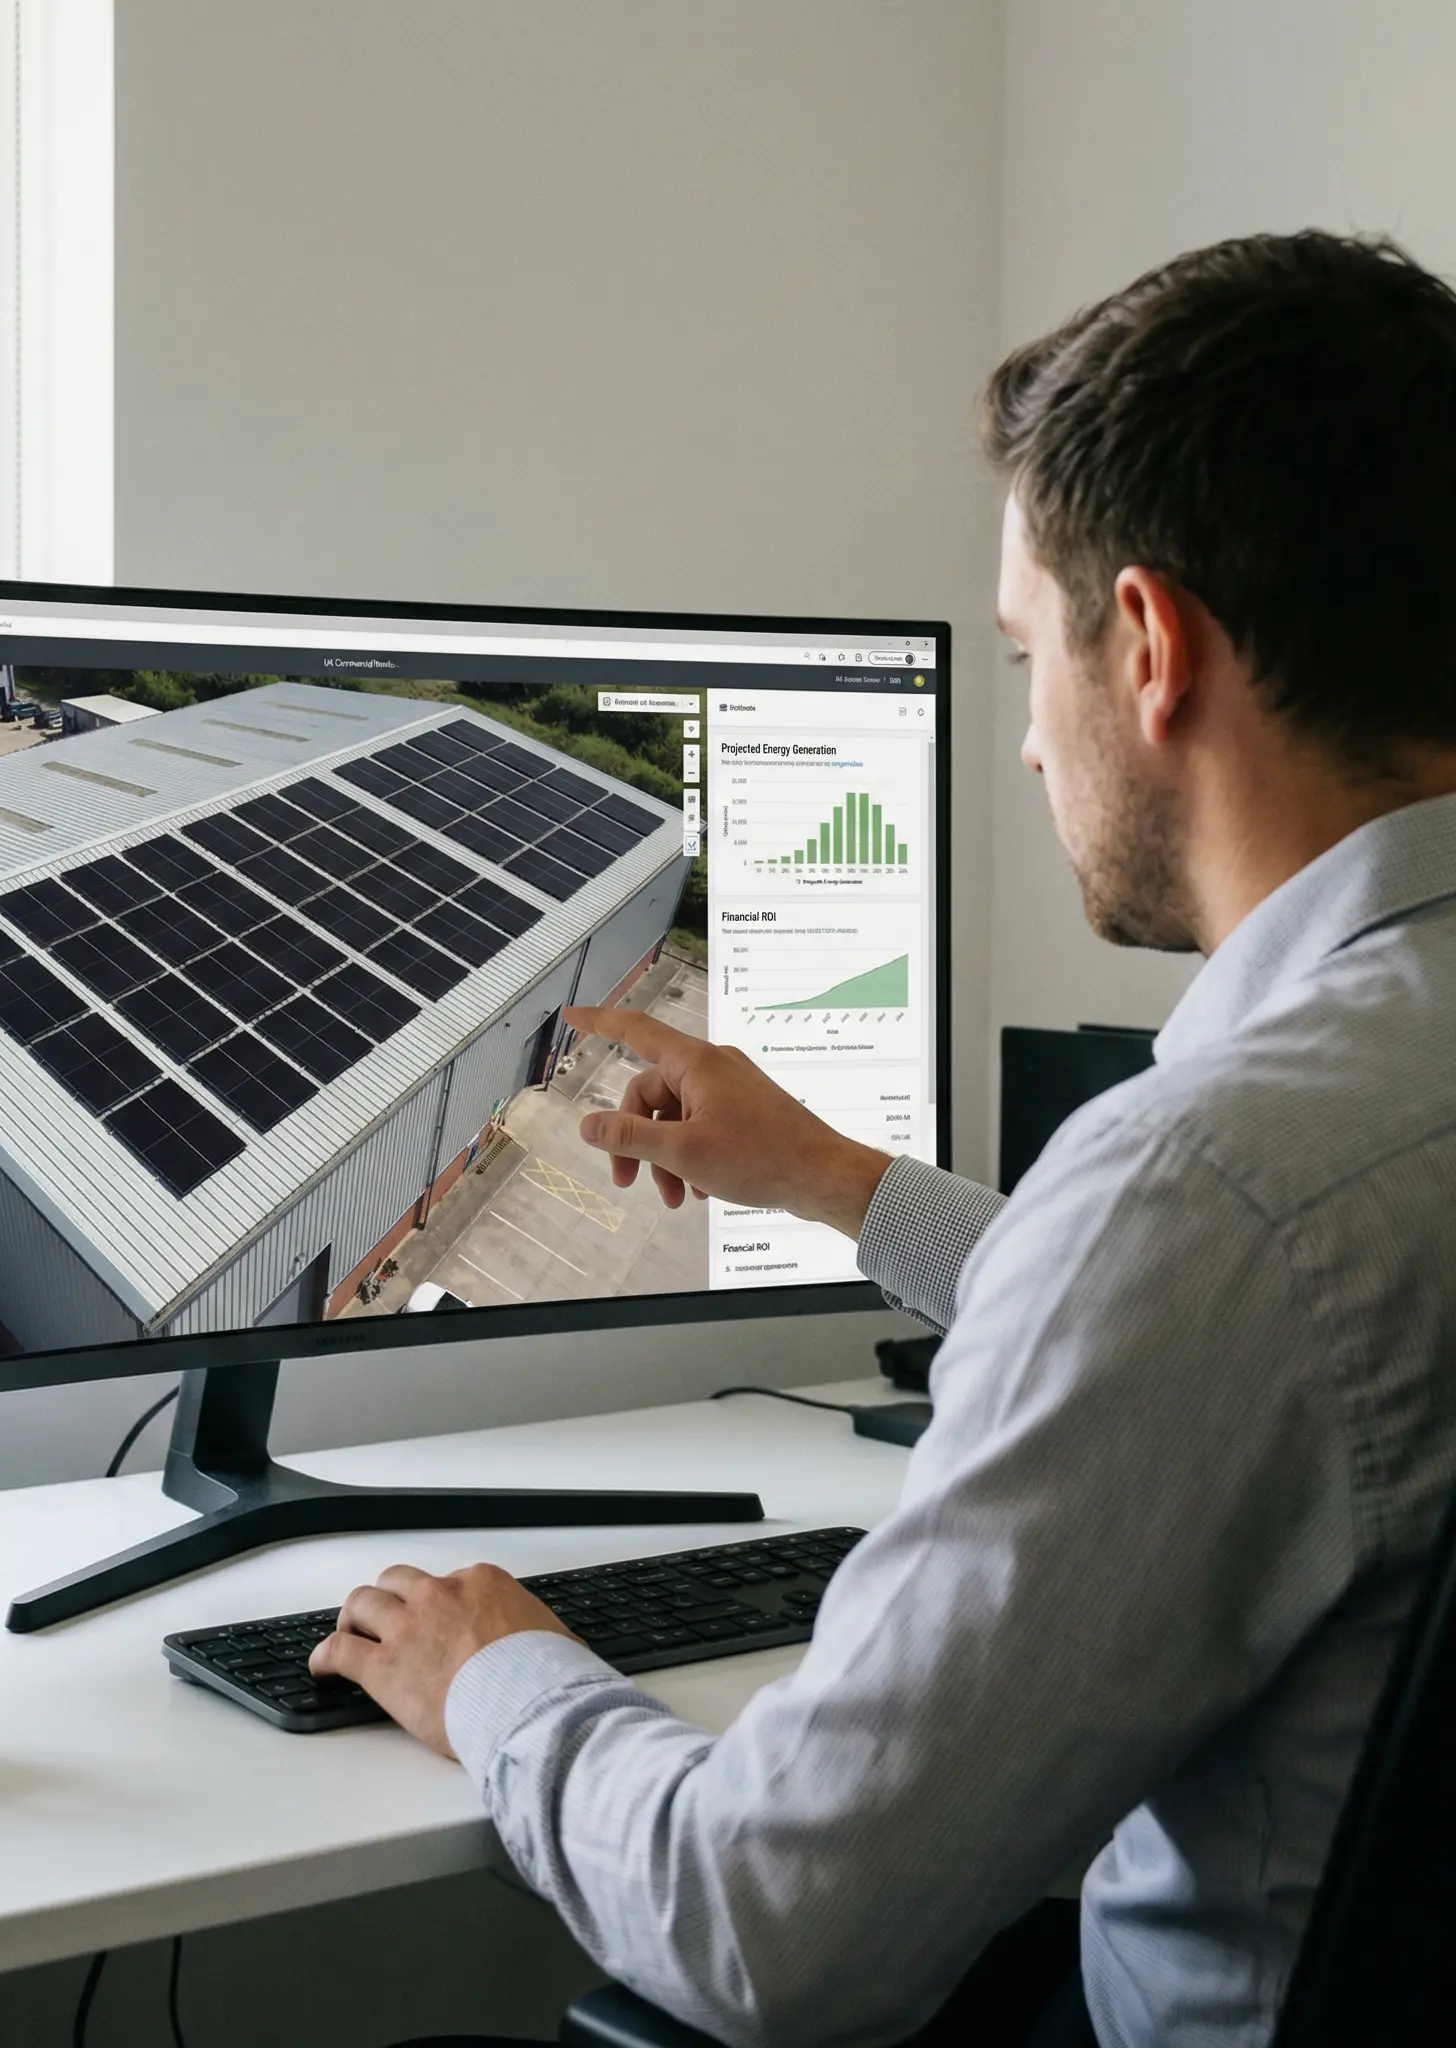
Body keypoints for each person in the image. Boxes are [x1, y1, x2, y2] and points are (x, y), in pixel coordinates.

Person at [311, 230, 1456, 2048]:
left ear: (1148, 645)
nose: (1021, 743)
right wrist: (844, 1185)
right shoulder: (1336, 1151)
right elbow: (1276, 1341)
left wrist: (499, 1677)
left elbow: (772, 1927)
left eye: (1026, 654)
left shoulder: (1215, 1183)